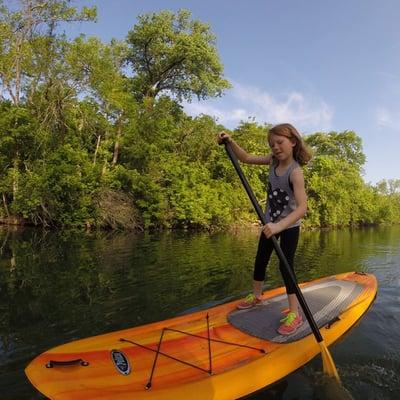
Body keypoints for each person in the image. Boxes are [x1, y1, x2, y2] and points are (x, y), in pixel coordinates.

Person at [218, 123, 312, 335]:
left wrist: (279, 225)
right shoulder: (272, 161)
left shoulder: (295, 172)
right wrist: (230, 141)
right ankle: (257, 296)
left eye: (280, 142)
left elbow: (302, 208)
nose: (275, 147)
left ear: (293, 142)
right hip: (270, 222)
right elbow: (246, 158)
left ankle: (294, 313)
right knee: (260, 258)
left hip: (288, 226)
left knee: (285, 267)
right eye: (272, 144)